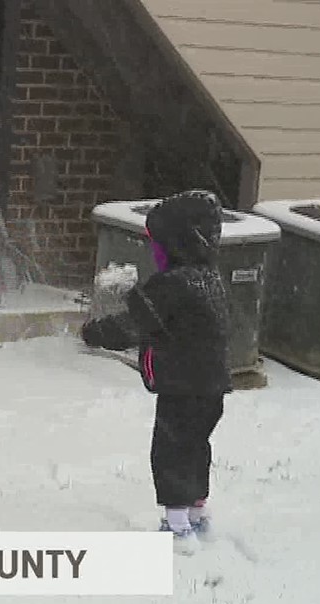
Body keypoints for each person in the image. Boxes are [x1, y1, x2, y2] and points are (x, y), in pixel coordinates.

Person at [80, 190, 232, 553]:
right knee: (196, 446)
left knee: (170, 450)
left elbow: (137, 323)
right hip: (211, 386)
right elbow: (164, 318)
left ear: (177, 244)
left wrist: (96, 332)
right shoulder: (207, 277)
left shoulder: (172, 284)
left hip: (181, 386)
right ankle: (198, 514)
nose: (155, 252)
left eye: (158, 245)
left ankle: (176, 527)